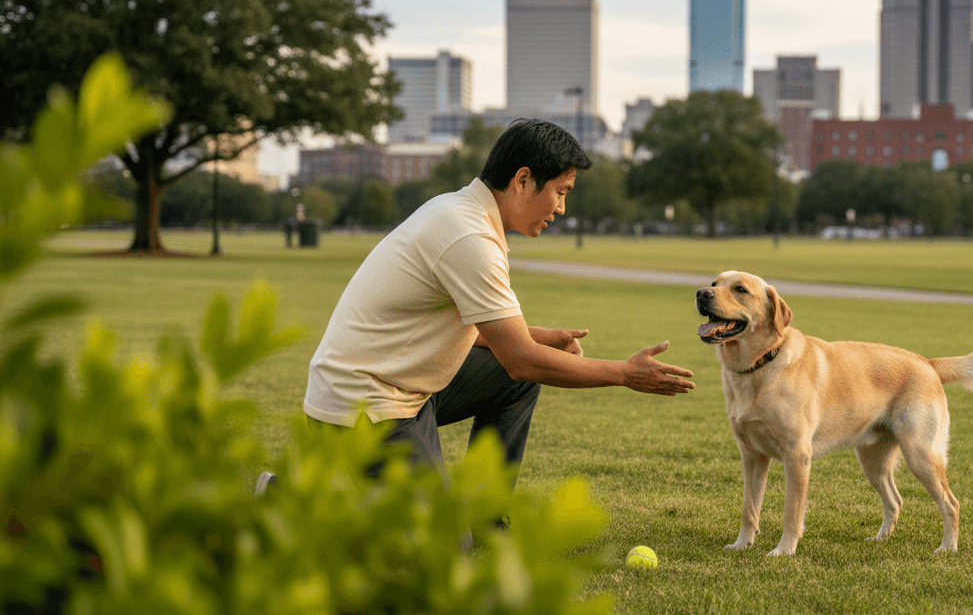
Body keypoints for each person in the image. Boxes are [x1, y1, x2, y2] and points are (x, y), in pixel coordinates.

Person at [267, 119, 693, 492]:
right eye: (560, 192)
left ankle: (485, 513)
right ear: (523, 180)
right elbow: (521, 361)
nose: (561, 208)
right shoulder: (469, 236)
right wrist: (624, 373)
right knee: (441, 552)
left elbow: (484, 332)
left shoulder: (464, 213)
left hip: (403, 388)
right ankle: (287, 500)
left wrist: (539, 337)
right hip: (364, 406)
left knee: (514, 384)